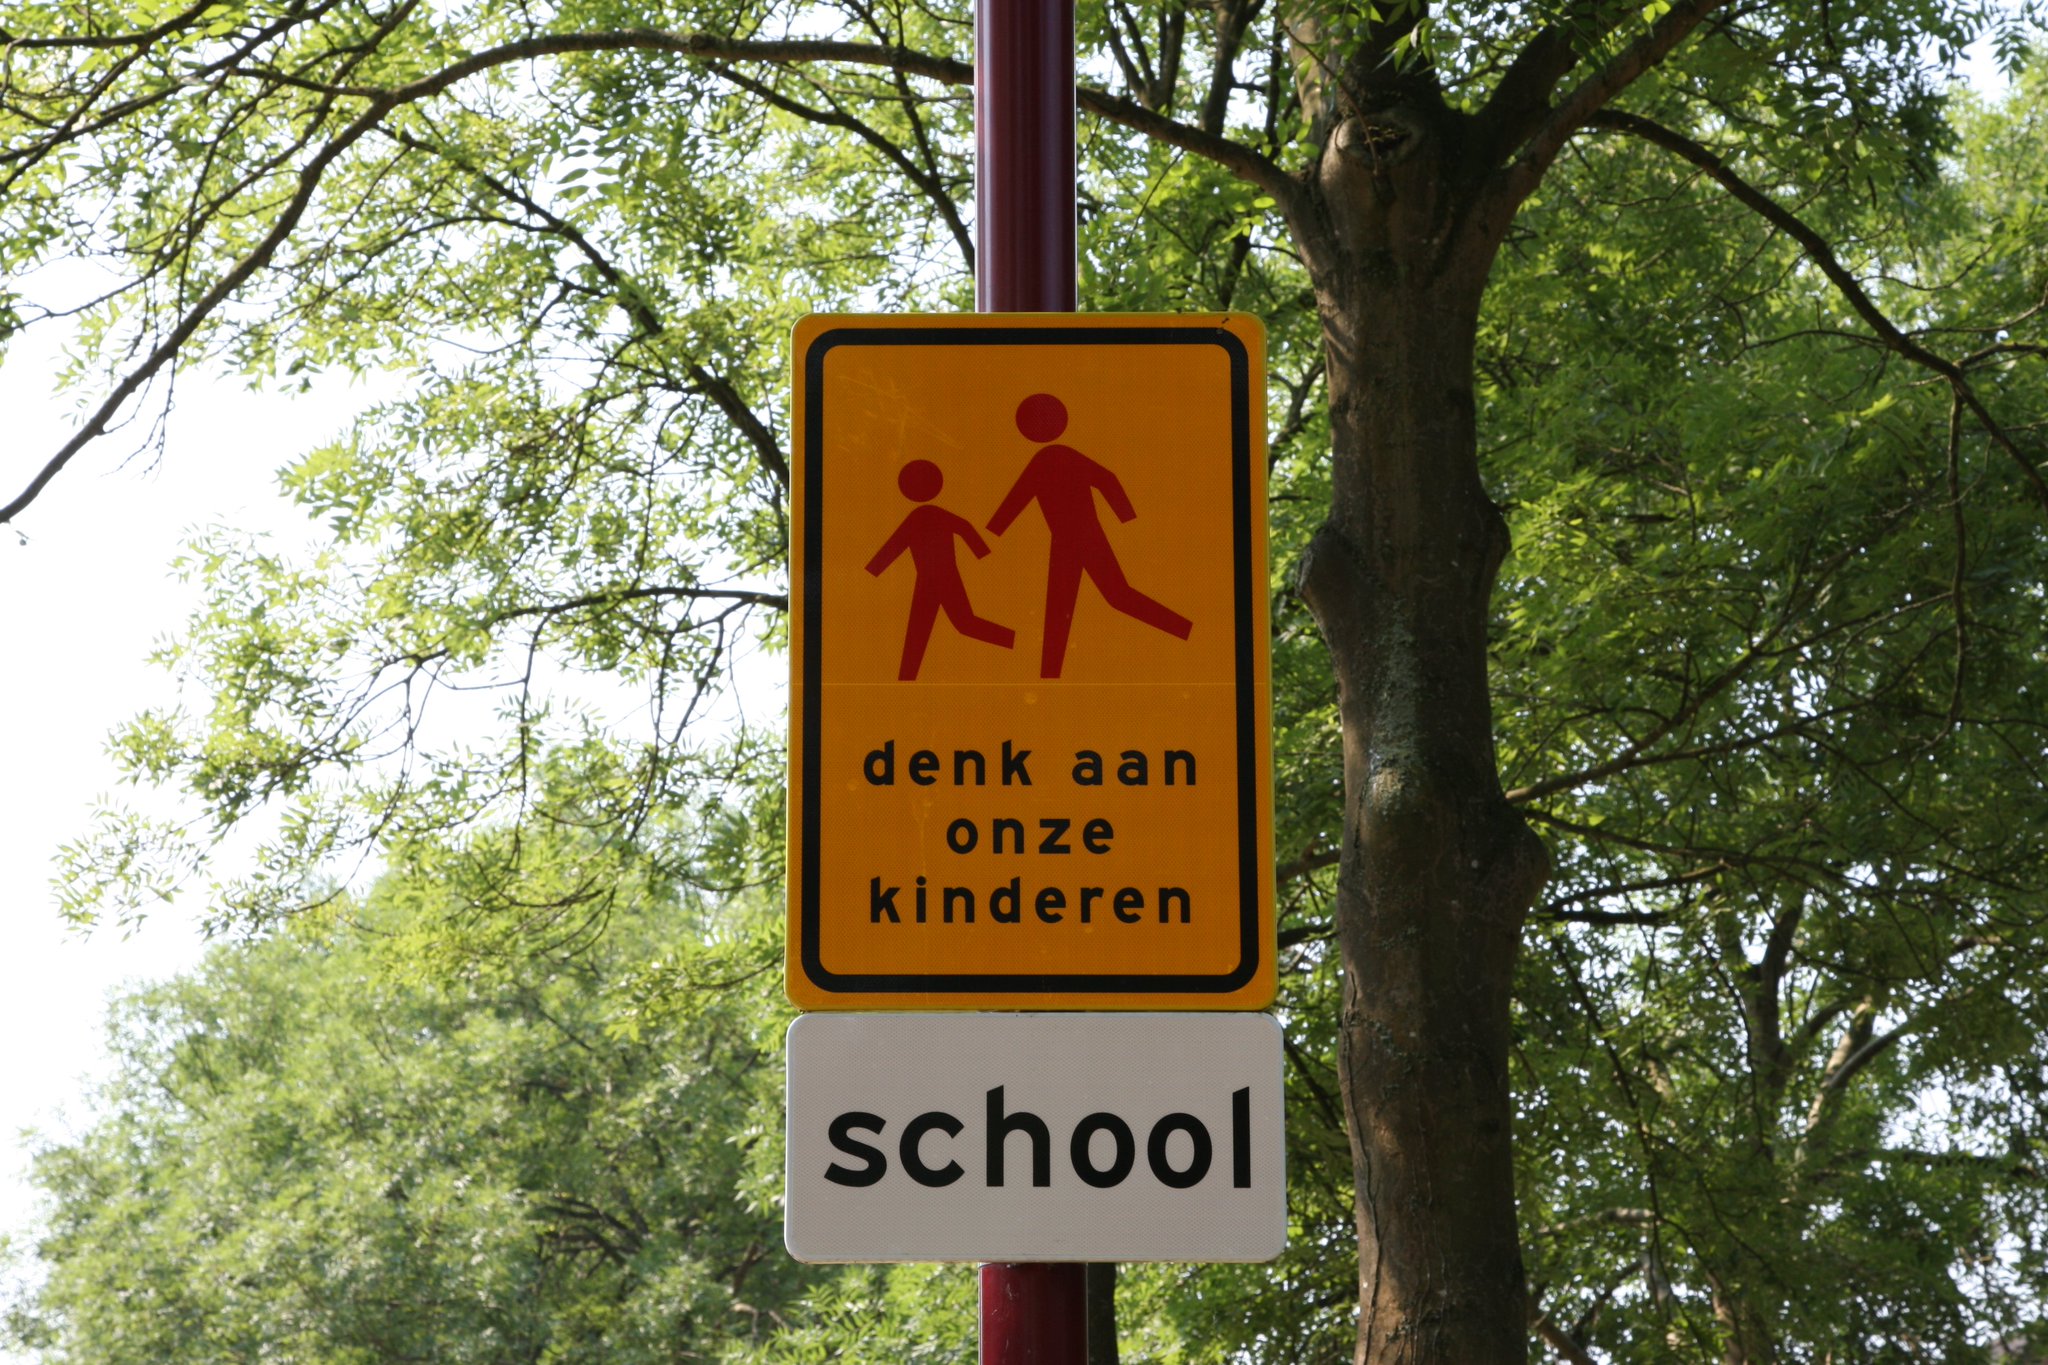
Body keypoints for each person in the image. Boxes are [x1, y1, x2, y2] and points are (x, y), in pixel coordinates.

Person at [986, 392, 1192, 678]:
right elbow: (1020, 497)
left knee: (1111, 597)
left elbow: (1104, 480)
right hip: (1066, 541)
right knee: (1065, 606)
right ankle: (1050, 675)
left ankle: (1184, 629)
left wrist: (1127, 517)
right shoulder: (1050, 459)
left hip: (1086, 537)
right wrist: (995, 529)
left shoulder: (1050, 458)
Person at [866, 458, 1016, 680]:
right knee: (925, 630)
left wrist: (873, 570)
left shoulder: (923, 516)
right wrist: (980, 552)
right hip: (931, 579)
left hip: (944, 578)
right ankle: (906, 679)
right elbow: (897, 544)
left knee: (961, 625)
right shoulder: (926, 516)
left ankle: (1014, 641)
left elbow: (896, 545)